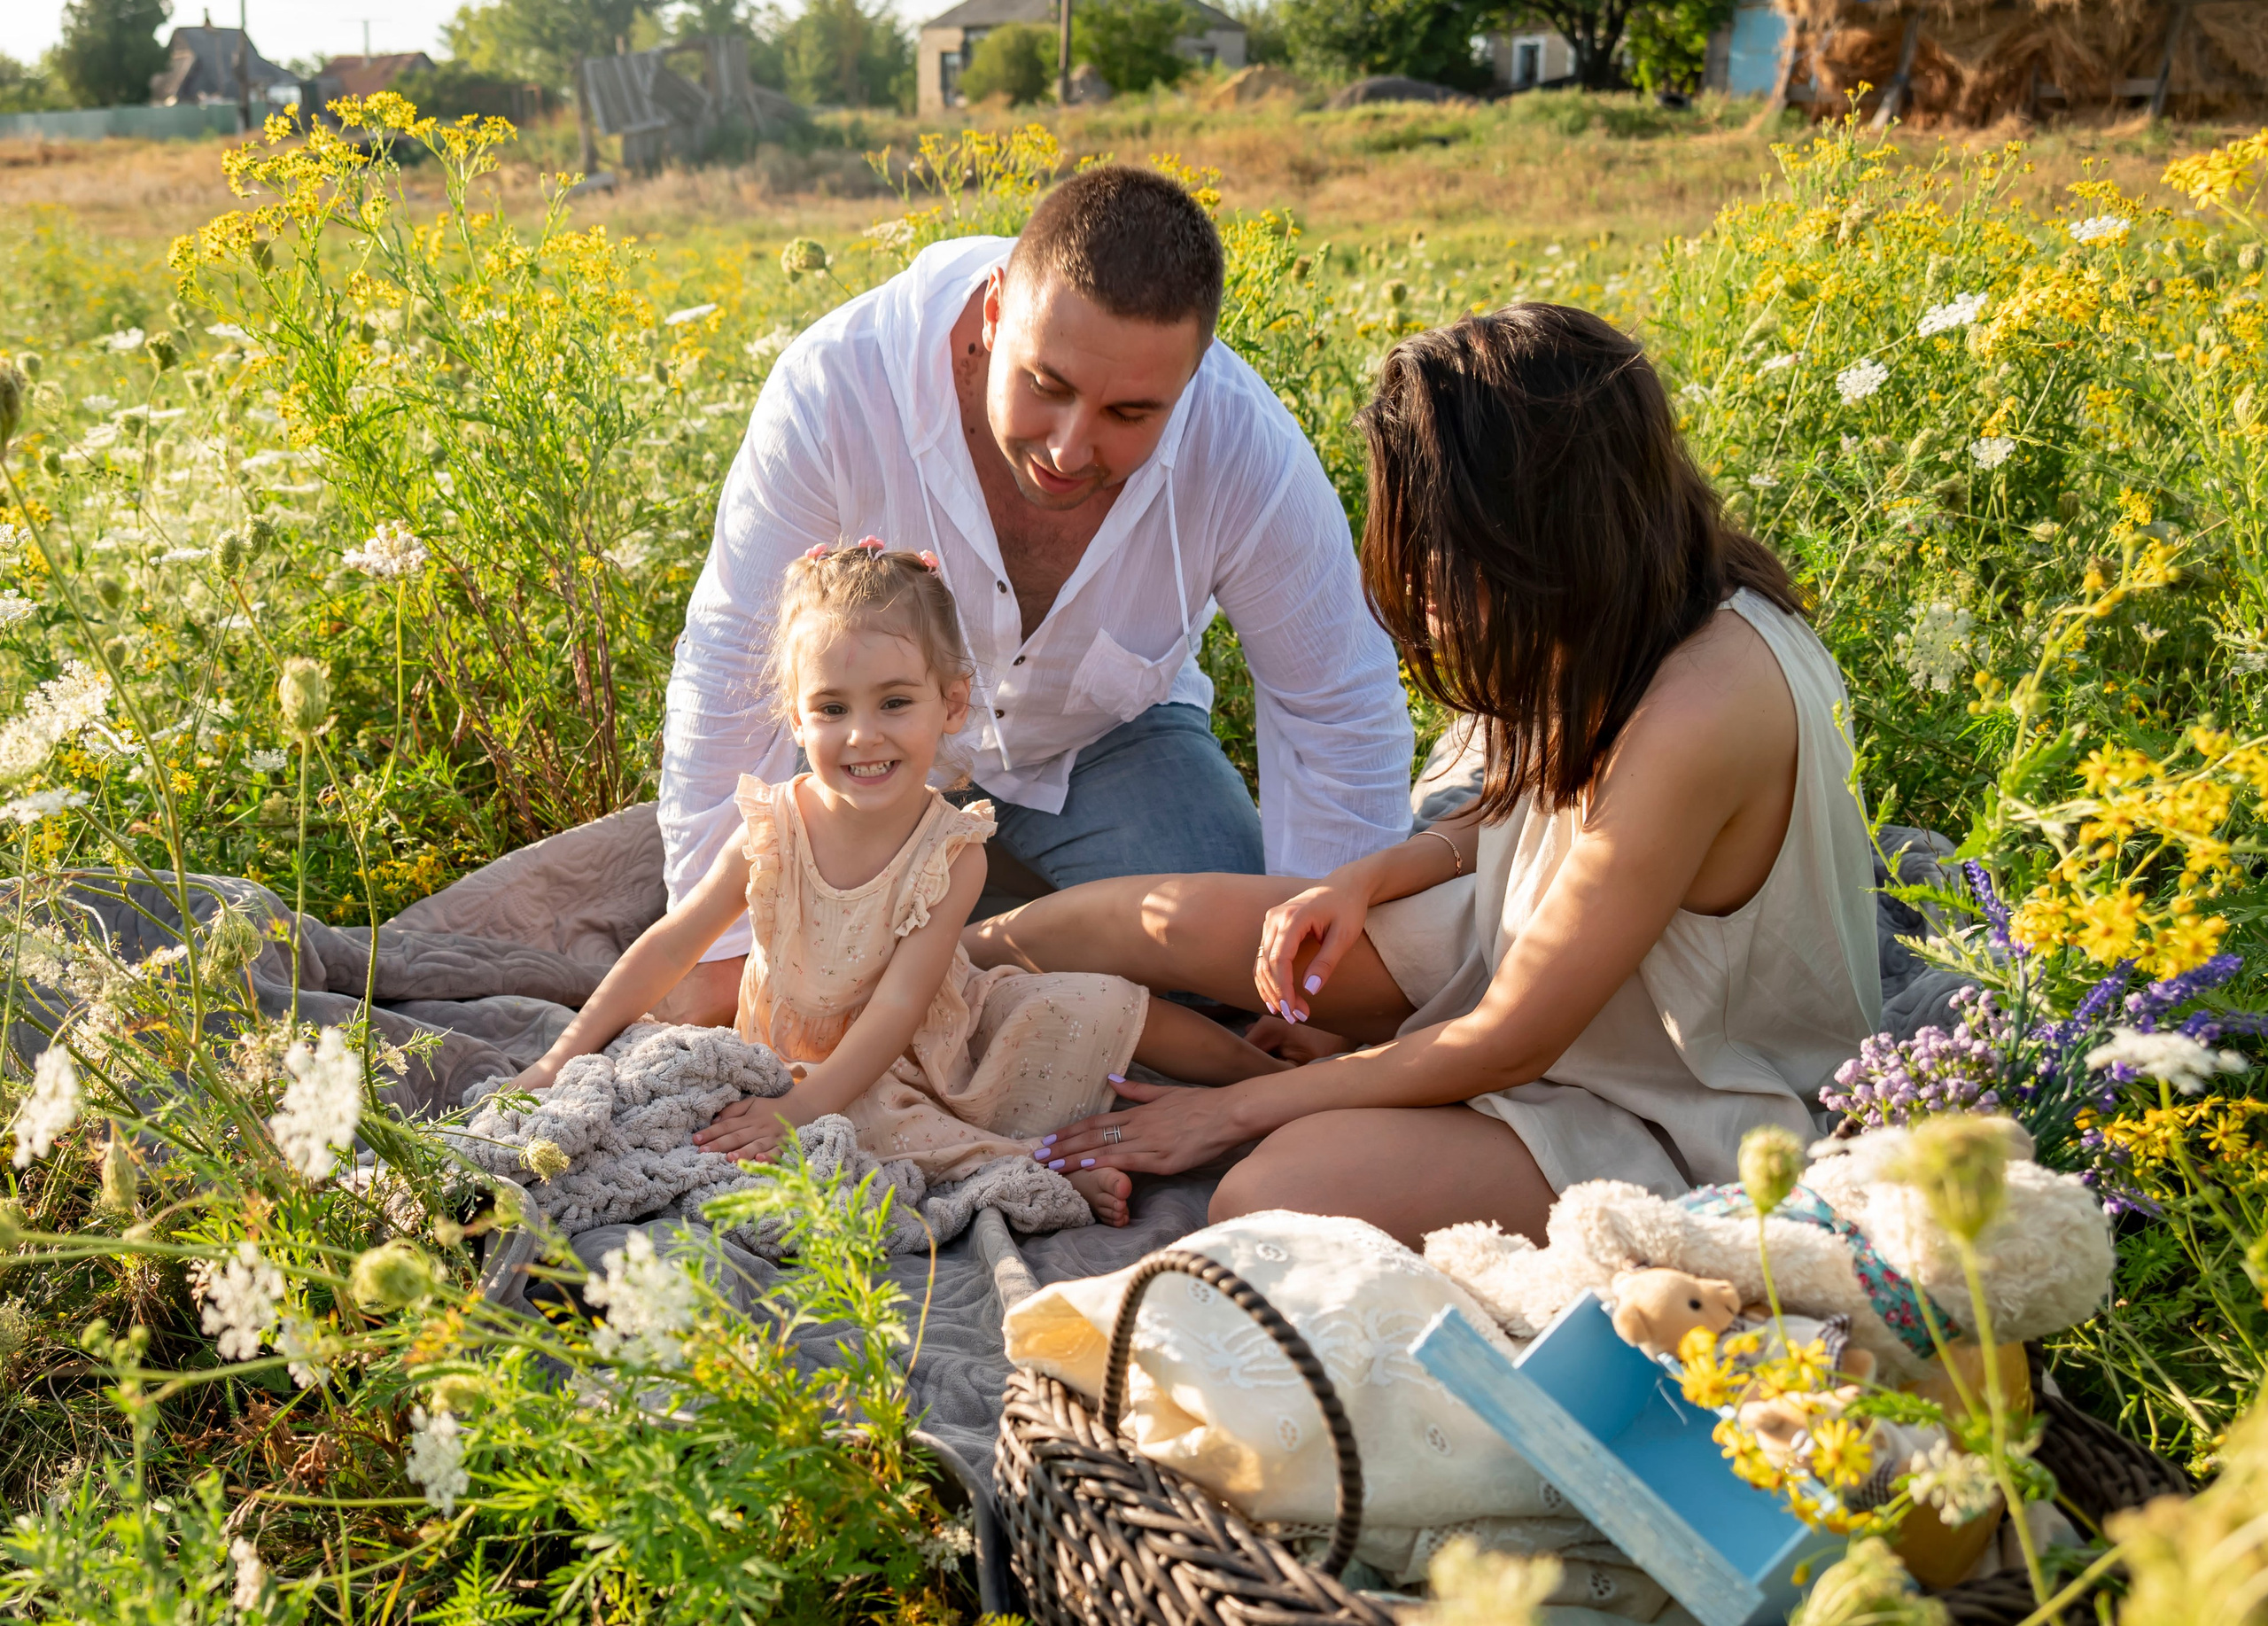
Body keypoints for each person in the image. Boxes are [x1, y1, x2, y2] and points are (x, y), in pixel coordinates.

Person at [967, 304, 1884, 1249]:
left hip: (1669, 1102)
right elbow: (1519, 811)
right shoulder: (1630, 600)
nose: (1427, 589)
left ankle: (1290, 1087)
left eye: (1446, 554)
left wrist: (1241, 1111)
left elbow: (1511, 1037)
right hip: (1532, 954)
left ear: (1541, 530)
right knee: (1113, 920)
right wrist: (1370, 877)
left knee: (1269, 1190)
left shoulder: (1702, 708)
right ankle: (891, 980)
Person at [653, 164, 1414, 1027]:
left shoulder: (1245, 448)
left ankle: (973, 940)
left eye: (1129, 414)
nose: (1067, 446)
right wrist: (716, 952)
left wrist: (1316, 1000)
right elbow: (727, 653)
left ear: (1192, 380)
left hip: (1108, 742)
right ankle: (940, 934)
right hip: (875, 739)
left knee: (1229, 969)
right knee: (804, 963)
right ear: (992, 311)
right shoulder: (836, 386)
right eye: (1046, 386)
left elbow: (1337, 704)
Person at [510, 542, 1292, 1226]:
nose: (863, 735)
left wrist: (799, 1114)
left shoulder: (952, 851)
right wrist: (564, 1056)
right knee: (880, 1136)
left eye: (894, 701)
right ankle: (1046, 1164)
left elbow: (901, 1006)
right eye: (831, 708)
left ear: (949, 702)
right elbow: (672, 943)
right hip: (826, 1067)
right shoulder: (773, 828)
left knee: (1103, 1004)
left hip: (937, 1036)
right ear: (796, 717)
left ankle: (1287, 1085)